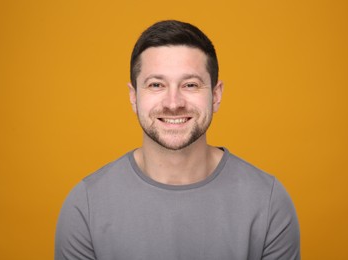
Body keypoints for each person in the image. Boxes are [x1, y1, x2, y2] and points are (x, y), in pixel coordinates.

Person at [55, 20, 300, 260]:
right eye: (156, 85)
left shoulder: (268, 201)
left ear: (215, 96)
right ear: (133, 97)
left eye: (190, 84)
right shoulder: (85, 205)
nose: (174, 103)